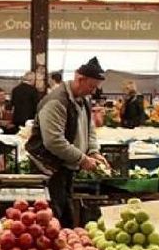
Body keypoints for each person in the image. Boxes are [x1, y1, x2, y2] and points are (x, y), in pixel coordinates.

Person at [24, 57, 107, 228]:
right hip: (49, 169)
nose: (93, 91)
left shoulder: (83, 100)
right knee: (52, 218)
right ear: (79, 79)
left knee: (65, 217)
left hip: (65, 167)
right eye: (91, 86)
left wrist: (93, 151)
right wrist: (82, 159)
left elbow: (89, 128)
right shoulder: (56, 101)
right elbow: (54, 141)